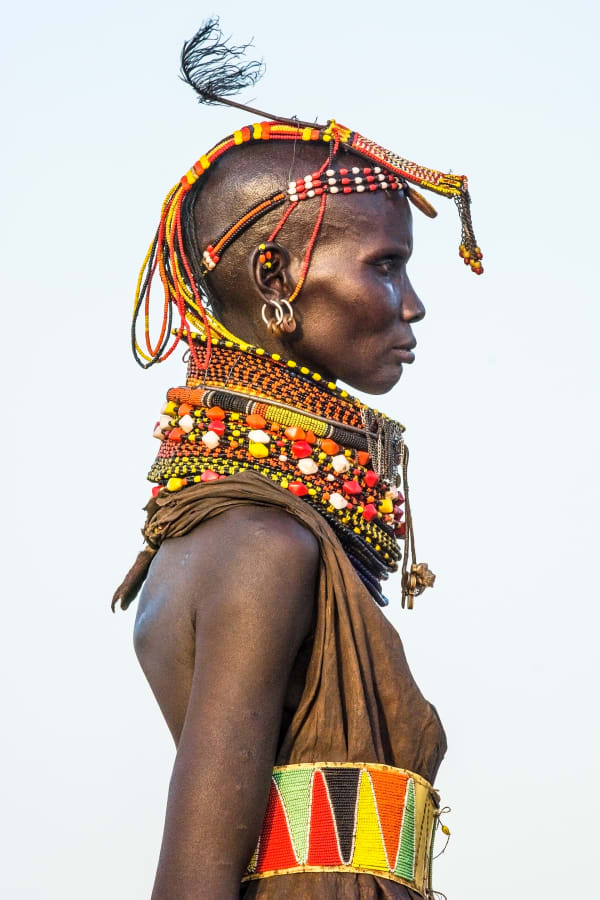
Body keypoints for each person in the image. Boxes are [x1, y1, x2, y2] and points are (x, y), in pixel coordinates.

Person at [113, 20, 482, 900]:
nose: (414, 303)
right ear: (276, 280)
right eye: (385, 265)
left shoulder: (245, 531)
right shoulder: (261, 544)